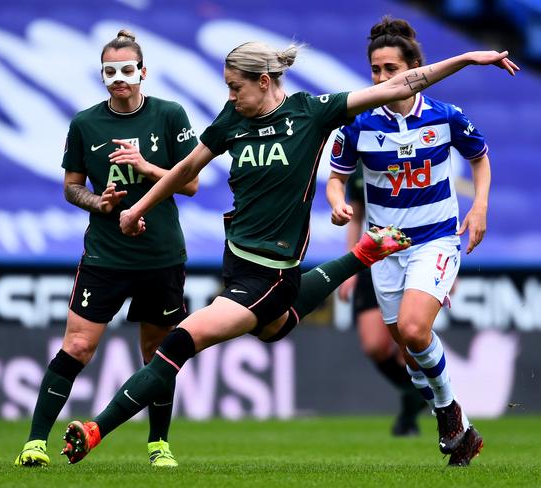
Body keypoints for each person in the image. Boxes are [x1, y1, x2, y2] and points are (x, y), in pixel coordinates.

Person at [60, 37, 517, 467]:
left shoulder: (312, 114)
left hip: (272, 272)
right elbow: (186, 169)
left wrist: (464, 60)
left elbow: (402, 84)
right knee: (273, 328)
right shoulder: (232, 120)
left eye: (235, 87)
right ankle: (360, 257)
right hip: (237, 260)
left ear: (263, 82)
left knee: (180, 339)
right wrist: (136, 207)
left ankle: (97, 429)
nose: (230, 95)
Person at [14, 29, 199, 468]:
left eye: (127, 70)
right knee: (77, 346)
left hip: (161, 255)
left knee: (158, 353)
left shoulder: (170, 115)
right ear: (102, 75)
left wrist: (146, 166)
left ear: (143, 72)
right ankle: (35, 443)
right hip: (105, 256)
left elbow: (190, 183)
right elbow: (71, 188)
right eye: (110, 71)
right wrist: (101, 202)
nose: (119, 78)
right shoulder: (85, 123)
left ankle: (159, 445)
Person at [327, 16, 507, 466]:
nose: (382, 78)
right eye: (376, 70)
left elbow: (480, 159)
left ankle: (448, 412)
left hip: (436, 240)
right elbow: (336, 178)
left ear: (414, 68)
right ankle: (463, 434)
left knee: (412, 329)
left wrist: (480, 207)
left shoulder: (446, 117)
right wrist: (337, 203)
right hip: (385, 248)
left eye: (391, 69)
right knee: (408, 354)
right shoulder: (359, 124)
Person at [337, 164, 427, 436]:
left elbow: (433, 206)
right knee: (375, 345)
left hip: (415, 255)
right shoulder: (361, 161)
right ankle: (417, 394)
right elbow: (356, 217)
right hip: (374, 257)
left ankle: (414, 412)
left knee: (408, 343)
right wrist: (349, 266)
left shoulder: (413, 152)